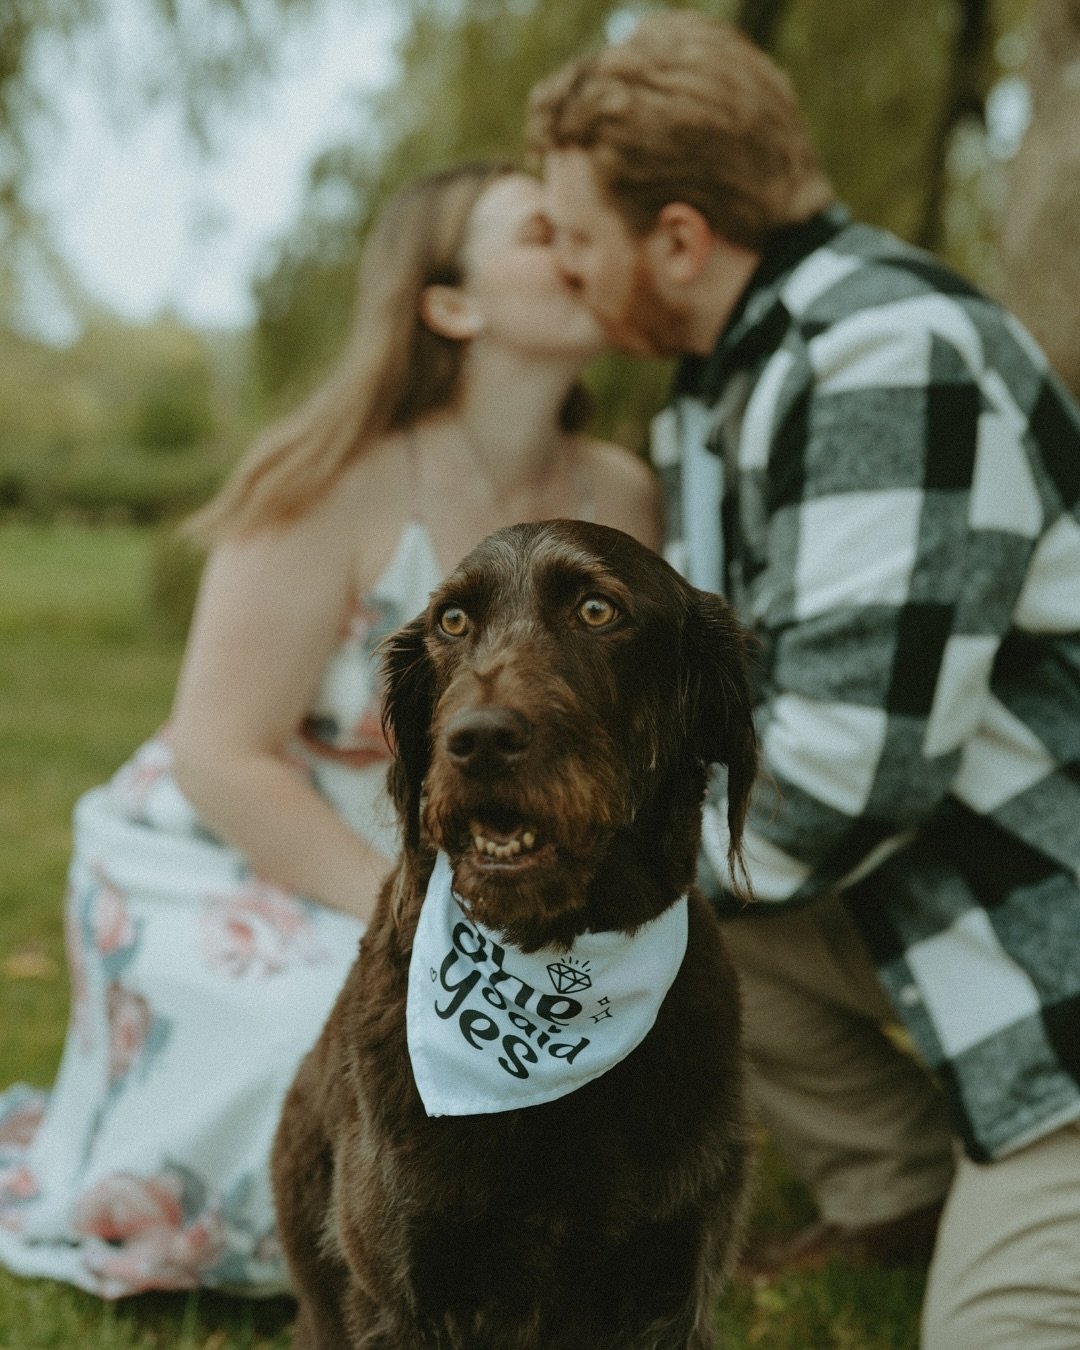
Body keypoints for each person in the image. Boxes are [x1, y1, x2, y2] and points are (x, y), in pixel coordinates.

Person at [0, 161, 661, 1299]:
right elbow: (220, 752)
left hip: (495, 848)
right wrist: (419, 921)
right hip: (241, 847)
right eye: (544, 232)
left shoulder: (622, 493)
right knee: (345, 1052)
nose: (585, 244)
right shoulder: (331, 481)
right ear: (451, 305)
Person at [528, 13, 1080, 1348]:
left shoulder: (889, 354)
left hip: (1047, 949)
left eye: (575, 236)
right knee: (664, 907)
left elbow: (841, 771)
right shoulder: (740, 379)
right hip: (942, 890)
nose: (563, 268)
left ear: (677, 237)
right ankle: (903, 1188)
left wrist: (575, 877)